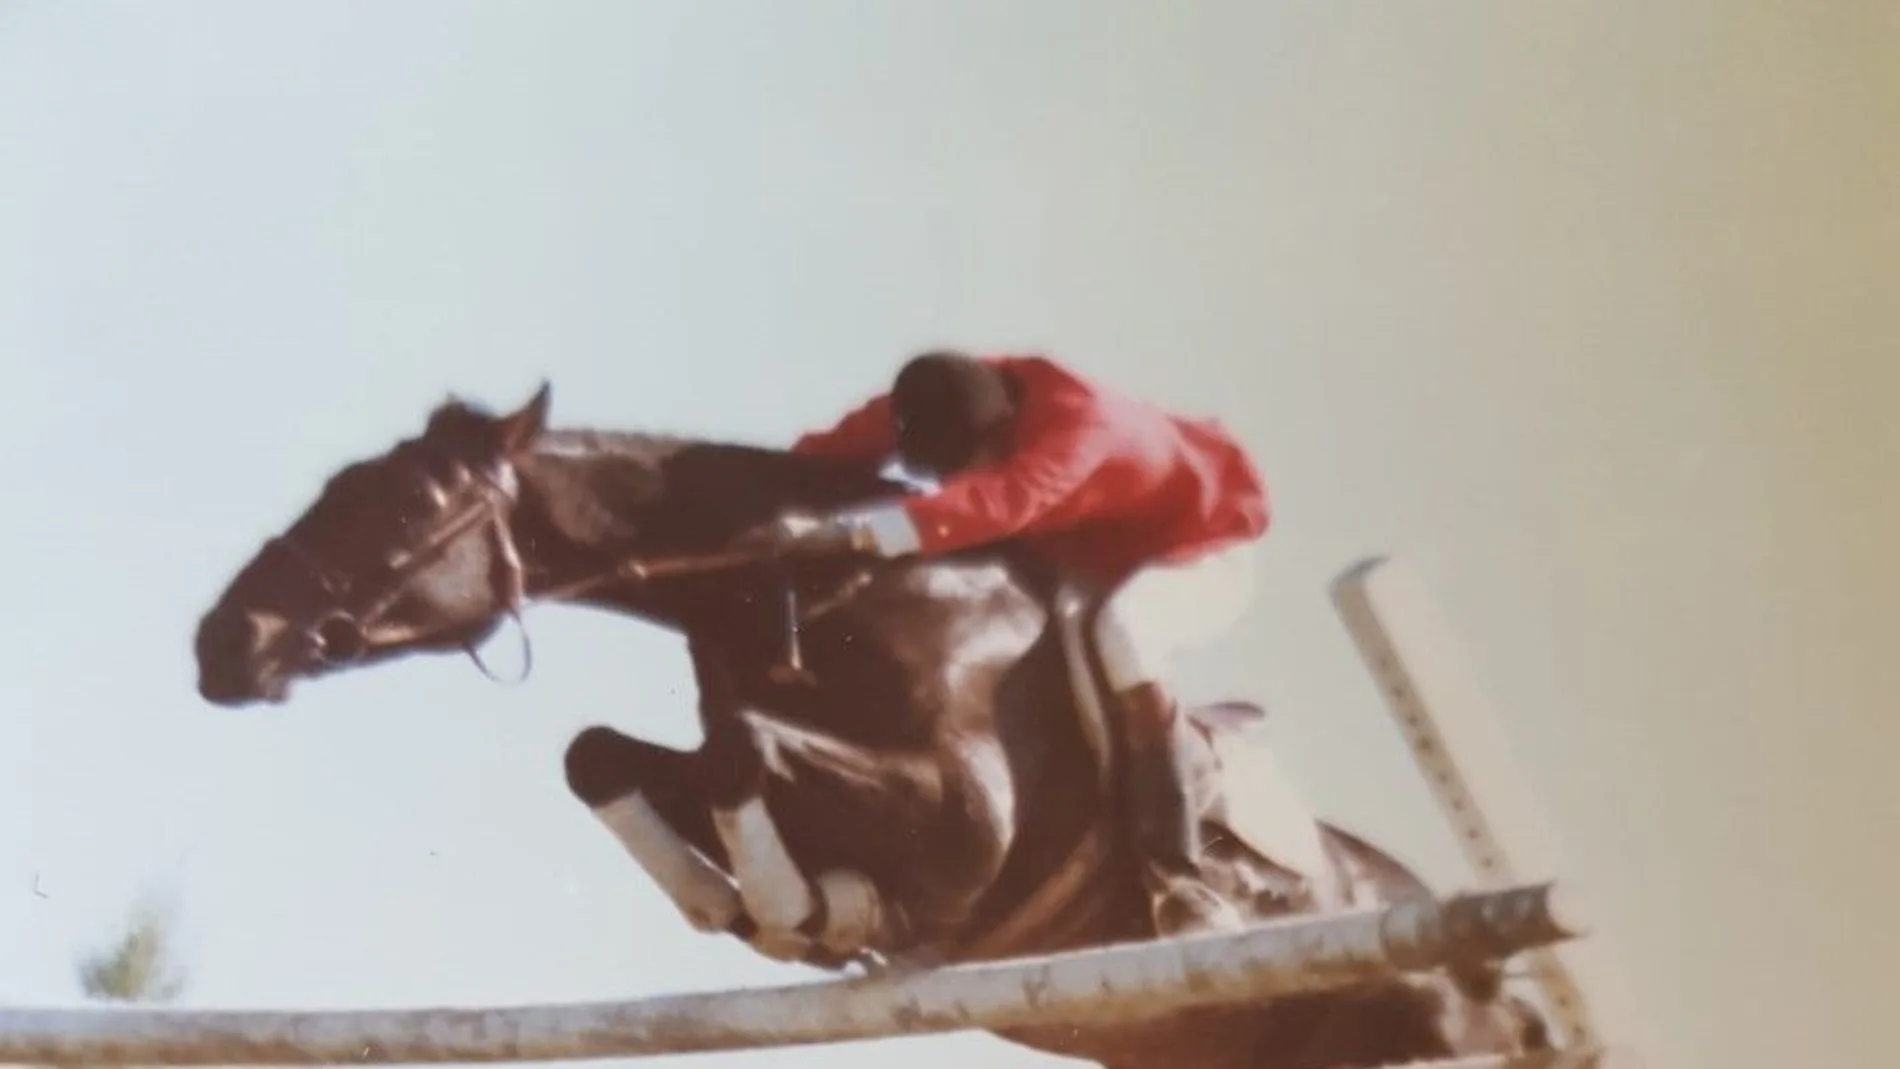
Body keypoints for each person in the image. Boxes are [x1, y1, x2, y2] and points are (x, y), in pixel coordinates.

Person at [748, 349, 1270, 935]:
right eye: (942, 474)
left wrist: (852, 532)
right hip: (1086, 539)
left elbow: (1004, 501)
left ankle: (1179, 876)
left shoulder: (1083, 428)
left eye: (963, 467)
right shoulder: (937, 398)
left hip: (1199, 544)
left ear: (998, 433)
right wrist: (762, 507)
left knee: (1122, 631)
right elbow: (825, 452)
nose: (953, 484)